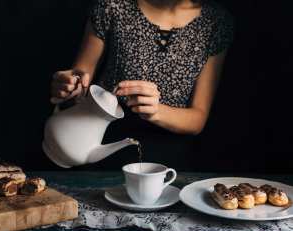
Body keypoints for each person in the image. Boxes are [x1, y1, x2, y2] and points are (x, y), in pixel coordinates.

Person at [50, 0, 234, 170]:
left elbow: (197, 119)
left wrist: (156, 111)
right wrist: (69, 85)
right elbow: (80, 76)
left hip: (169, 160)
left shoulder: (215, 21)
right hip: (102, 141)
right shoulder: (112, 6)